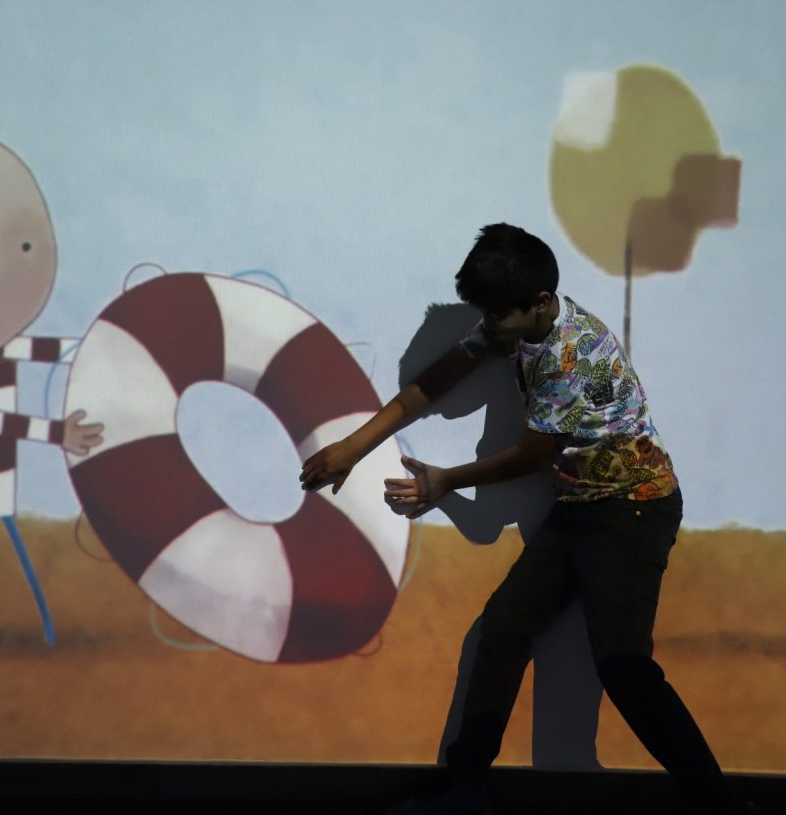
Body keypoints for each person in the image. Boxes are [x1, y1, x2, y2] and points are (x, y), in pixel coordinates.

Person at [298, 223, 739, 814]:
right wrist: (354, 446)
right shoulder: (518, 323)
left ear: (540, 302)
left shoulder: (571, 352)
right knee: (503, 632)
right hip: (579, 507)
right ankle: (464, 789)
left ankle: (718, 802)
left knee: (623, 665)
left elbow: (534, 455)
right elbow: (436, 381)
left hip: (633, 509)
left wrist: (445, 481)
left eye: (497, 316)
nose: (489, 326)